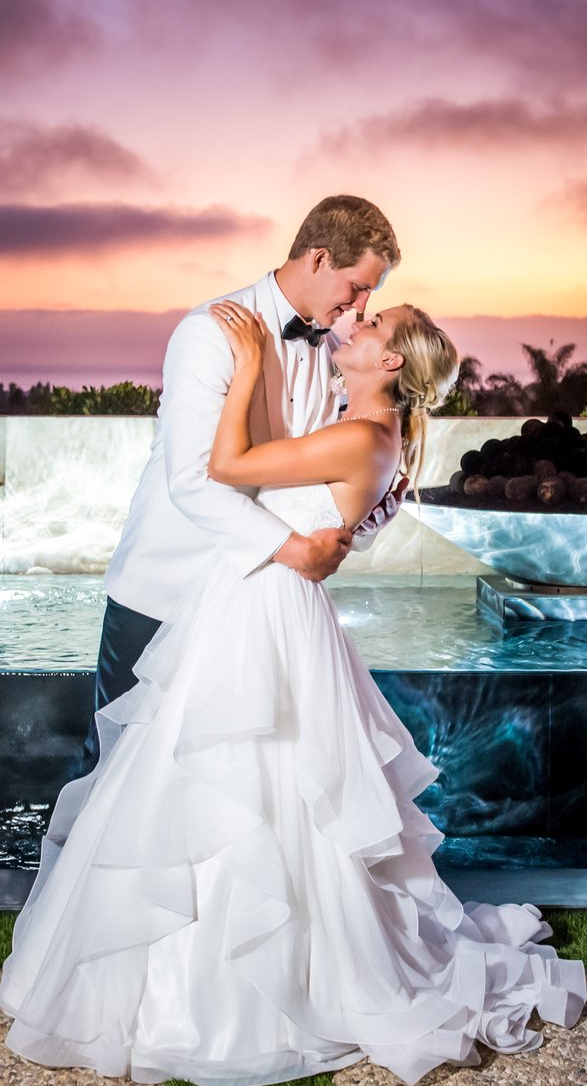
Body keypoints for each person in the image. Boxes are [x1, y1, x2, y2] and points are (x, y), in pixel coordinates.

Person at [0, 287, 587, 1086]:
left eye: (375, 323)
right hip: (259, 600)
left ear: (389, 362)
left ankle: (246, 986)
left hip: (265, 608)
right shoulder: (368, 435)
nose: (357, 320)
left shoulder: (358, 437)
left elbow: (227, 467)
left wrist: (244, 366)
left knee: (247, 780)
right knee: (241, 782)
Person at [79, 195, 408, 776]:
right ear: (320, 258)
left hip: (247, 605)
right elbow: (192, 479)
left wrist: (361, 516)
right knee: (118, 772)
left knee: (216, 782)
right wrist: (294, 549)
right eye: (357, 287)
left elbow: (318, 474)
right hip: (166, 589)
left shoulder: (331, 350)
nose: (360, 306)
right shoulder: (209, 332)